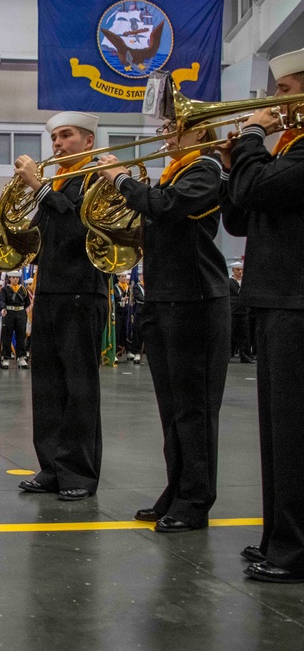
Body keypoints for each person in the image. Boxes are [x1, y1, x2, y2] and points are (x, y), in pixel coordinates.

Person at [97, 116, 229, 533]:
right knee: (172, 408)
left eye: (178, 126)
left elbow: (167, 208)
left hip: (196, 299)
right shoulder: (173, 174)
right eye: (168, 126)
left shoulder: (206, 170)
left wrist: (120, 179)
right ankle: (178, 489)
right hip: (165, 297)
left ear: (201, 133)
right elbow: (157, 220)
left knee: (195, 408)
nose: (167, 133)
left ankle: (196, 499)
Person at [219, 46, 304, 582]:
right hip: (277, 300)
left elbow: (261, 189)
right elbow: (241, 218)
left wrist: (251, 140)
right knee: (277, 433)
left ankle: (295, 551)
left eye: (286, 92)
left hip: (297, 302)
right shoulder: (286, 150)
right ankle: (280, 538)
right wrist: (236, 162)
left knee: (294, 434)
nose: (275, 105)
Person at [14, 111, 110, 501]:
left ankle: (79, 473)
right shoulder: (57, 181)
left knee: (79, 386)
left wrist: (38, 189)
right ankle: (52, 466)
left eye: (65, 136)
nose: (57, 144)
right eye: (54, 137)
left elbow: (80, 230)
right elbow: (40, 237)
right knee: (47, 386)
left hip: (83, 292)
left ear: (87, 141)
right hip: (51, 292)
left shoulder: (98, 179)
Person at [0, 270, 30, 369]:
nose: (15, 279)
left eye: (17, 278)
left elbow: (27, 302)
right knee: (7, 336)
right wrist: (3, 308)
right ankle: (6, 358)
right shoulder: (5, 289)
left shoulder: (23, 289)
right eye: (13, 277)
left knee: (21, 335)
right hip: (9, 313)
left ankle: (21, 358)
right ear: (9, 279)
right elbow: (2, 300)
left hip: (20, 313)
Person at [228, 261, 254, 363]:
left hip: (243, 311)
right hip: (233, 311)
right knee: (230, 334)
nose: (240, 271)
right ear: (233, 270)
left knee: (245, 336)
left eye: (241, 269)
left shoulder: (244, 282)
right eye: (238, 269)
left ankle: (246, 356)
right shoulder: (229, 282)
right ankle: (227, 356)